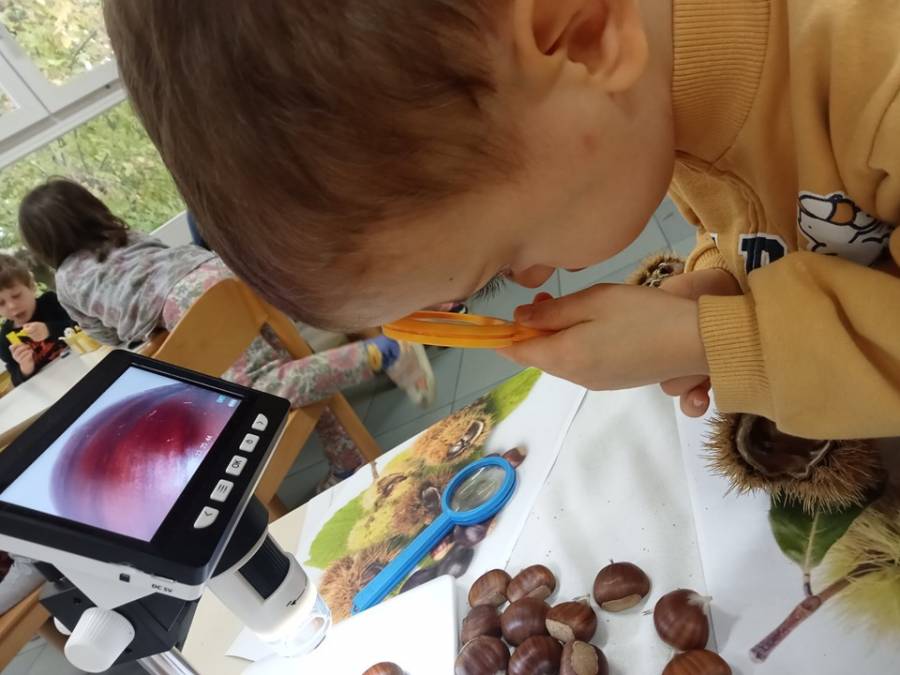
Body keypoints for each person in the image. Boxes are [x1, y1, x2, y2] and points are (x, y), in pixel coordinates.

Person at [104, 1, 900, 440]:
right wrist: (723, 283)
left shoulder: (876, 61)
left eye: (504, 258)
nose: (532, 276)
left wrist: (716, 341)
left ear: (583, 38)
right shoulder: (663, 100)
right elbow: (764, 215)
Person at [19, 179, 436, 488]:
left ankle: (382, 353)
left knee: (264, 392)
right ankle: (346, 459)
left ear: (43, 244)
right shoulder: (126, 236)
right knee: (293, 368)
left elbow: (105, 335)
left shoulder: (67, 281)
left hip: (188, 305)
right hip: (222, 273)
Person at [0, 254, 75, 385]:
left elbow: (81, 325)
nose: (12, 306)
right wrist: (25, 368)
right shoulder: (5, 339)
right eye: (1, 303)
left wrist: (49, 330)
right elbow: (16, 379)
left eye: (16, 295)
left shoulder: (50, 302)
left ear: (32, 286)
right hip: (51, 386)